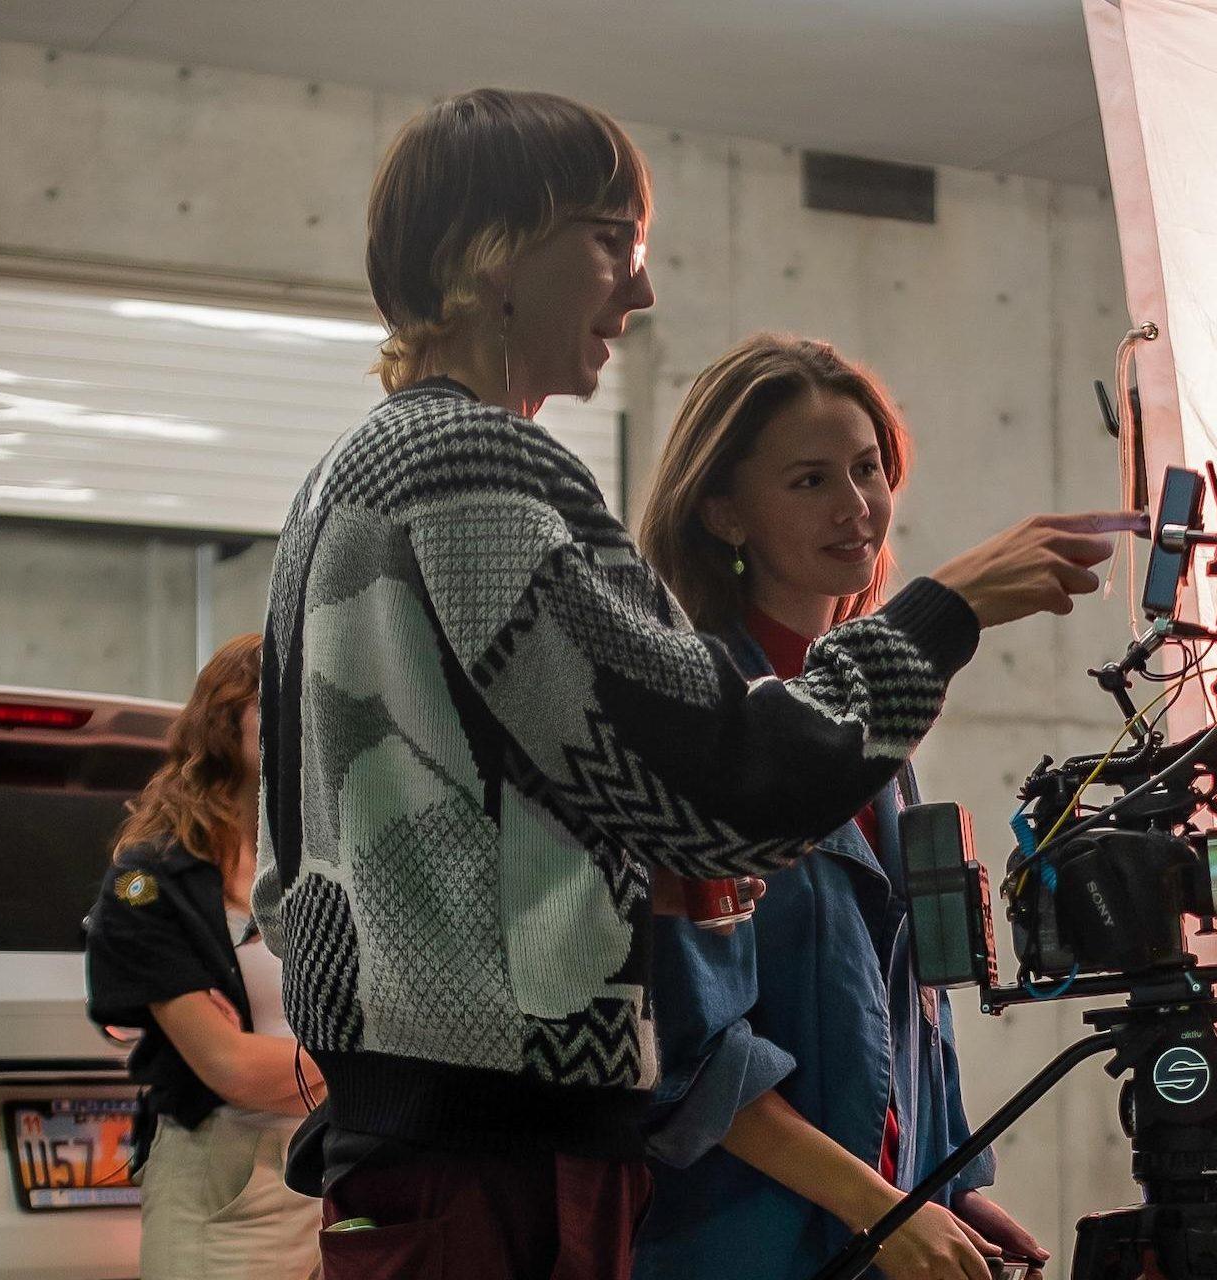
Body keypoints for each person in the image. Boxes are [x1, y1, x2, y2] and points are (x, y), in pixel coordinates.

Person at [252, 87, 1136, 1280]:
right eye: (613, 241)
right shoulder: (470, 462)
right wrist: (947, 609)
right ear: (493, 252)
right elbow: (727, 785)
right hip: (495, 1161)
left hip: (446, 1144)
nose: (641, 288)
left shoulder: (363, 467)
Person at [634, 334, 1050, 1280]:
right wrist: (885, 1209)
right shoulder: (703, 731)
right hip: (739, 1243)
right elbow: (693, 1055)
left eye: (868, 468)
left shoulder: (876, 733)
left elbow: (914, 1008)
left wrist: (950, 1185)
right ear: (723, 512)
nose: (856, 506)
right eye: (810, 480)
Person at [84, 633, 322, 1280]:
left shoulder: (328, 862)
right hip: (230, 1183)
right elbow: (232, 1068)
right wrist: (371, 1058)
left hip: (341, 1172)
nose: (297, 710)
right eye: (271, 695)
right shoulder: (147, 879)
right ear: (222, 715)